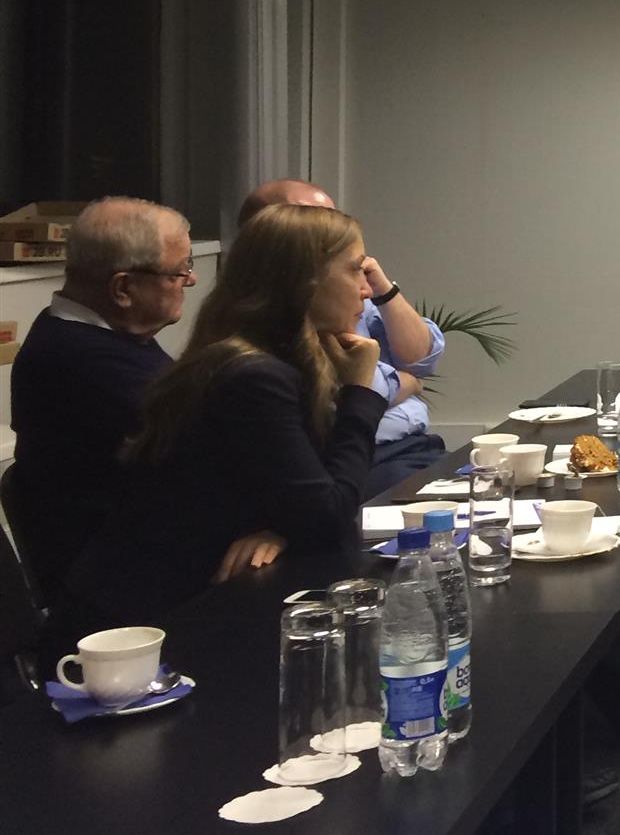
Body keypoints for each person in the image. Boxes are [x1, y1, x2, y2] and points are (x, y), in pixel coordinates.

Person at [62, 205, 385, 629]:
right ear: (305, 280)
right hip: (149, 620)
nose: (367, 289)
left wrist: (285, 527)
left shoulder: (274, 360)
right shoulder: (253, 376)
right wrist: (361, 393)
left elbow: (311, 500)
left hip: (197, 592)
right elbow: (328, 514)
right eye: (355, 270)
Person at [7, 198, 196, 595]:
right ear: (123, 288)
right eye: (179, 271)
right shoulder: (81, 362)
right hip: (124, 590)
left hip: (145, 559)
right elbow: (220, 447)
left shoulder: (101, 334)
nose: (191, 280)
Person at [238, 179, 447, 494]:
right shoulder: (262, 356)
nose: (365, 290)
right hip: (366, 462)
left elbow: (421, 358)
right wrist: (405, 383)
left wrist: (384, 290)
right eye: (316, 223)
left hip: (411, 447)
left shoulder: (345, 300)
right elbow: (354, 394)